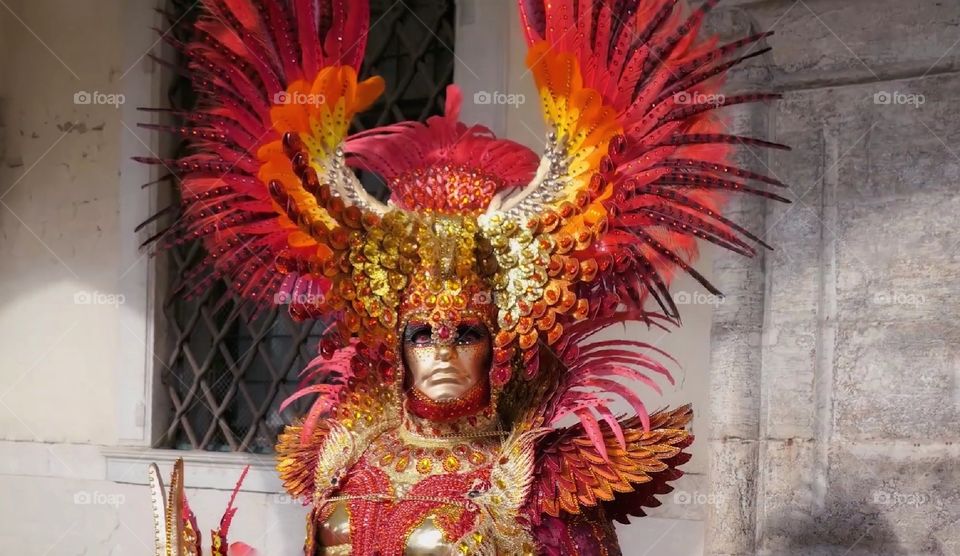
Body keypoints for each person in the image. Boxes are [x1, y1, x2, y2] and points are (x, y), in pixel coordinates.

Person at [140, 0, 787, 553]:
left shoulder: (536, 485)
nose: (442, 354)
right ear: (396, 340)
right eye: (422, 333)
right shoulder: (344, 460)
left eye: (465, 332)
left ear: (498, 341)